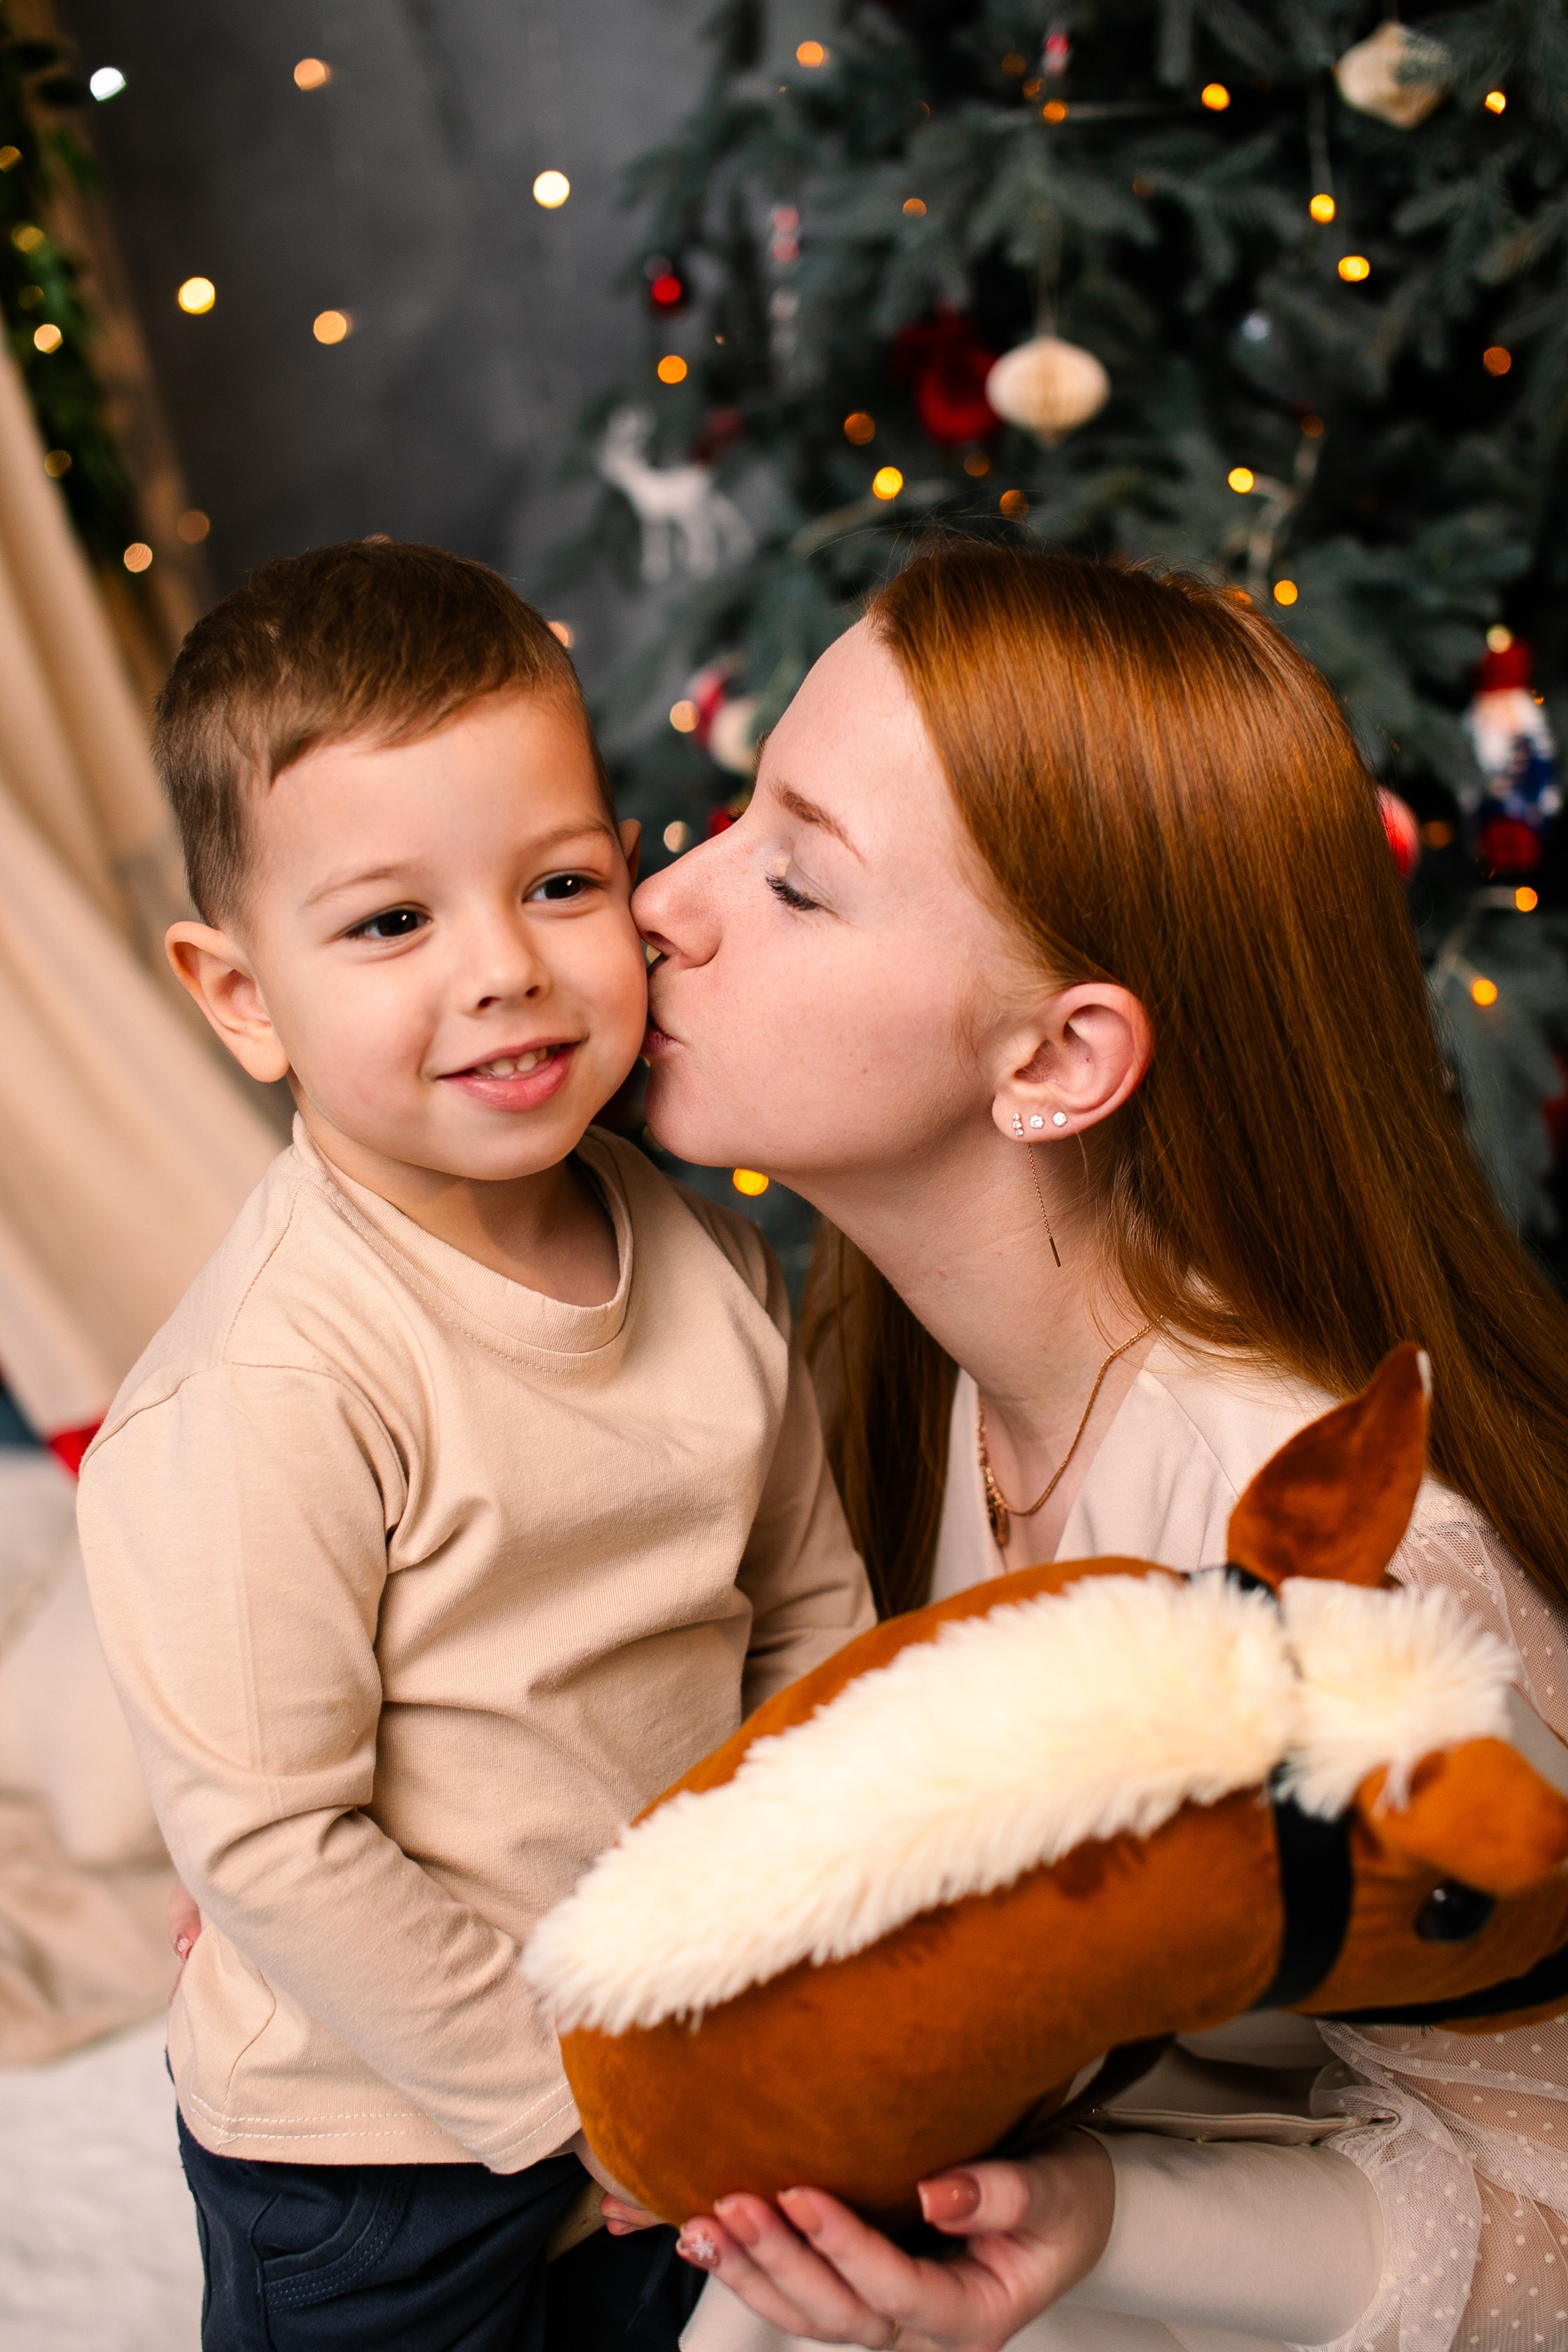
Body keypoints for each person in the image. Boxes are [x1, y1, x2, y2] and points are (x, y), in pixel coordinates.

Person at [615, 540, 1568, 2352]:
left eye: (800, 882)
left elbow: (1554, 2217)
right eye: (736, 818)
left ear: (1059, 1061)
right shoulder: (894, 1360)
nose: (665, 898)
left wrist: (1107, 2219)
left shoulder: (1353, 1558)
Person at [76, 542, 873, 2352]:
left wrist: (808, 1954)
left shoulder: (704, 1249)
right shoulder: (278, 1387)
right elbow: (278, 1845)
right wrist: (589, 2102)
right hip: (381, 2146)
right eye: (389, 923)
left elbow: (808, 1623)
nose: (507, 970)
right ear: (239, 997)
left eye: (562, 882)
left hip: (680, 2051)